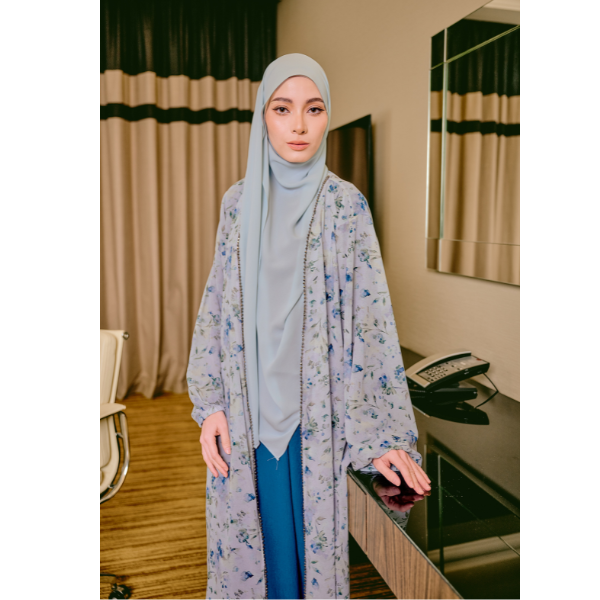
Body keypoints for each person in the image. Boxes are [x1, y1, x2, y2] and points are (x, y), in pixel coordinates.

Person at [187, 53, 430, 600]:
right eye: (283, 109)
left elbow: (371, 319)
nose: (298, 125)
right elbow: (216, 306)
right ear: (263, 116)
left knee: (307, 568)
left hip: (317, 420)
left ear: (327, 116)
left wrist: (383, 435)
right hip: (246, 418)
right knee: (254, 562)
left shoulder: (346, 205)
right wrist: (212, 404)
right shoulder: (238, 203)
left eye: (314, 109)